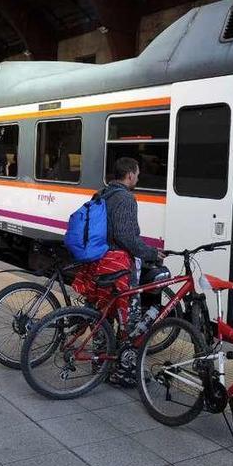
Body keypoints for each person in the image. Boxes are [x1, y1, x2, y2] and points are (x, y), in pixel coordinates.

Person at [72, 157, 165, 386]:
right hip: (118, 267)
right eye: (137, 174)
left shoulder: (103, 193)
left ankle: (100, 365)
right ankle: (124, 374)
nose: (138, 177)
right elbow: (126, 237)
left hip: (98, 264)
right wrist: (152, 253)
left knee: (104, 315)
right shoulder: (126, 198)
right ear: (130, 175)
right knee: (129, 321)